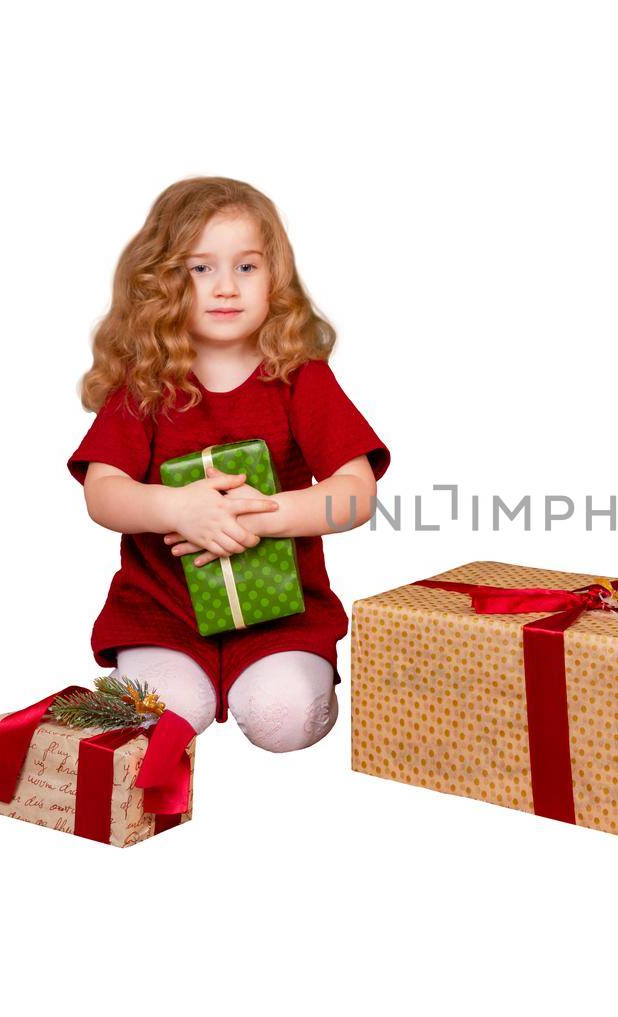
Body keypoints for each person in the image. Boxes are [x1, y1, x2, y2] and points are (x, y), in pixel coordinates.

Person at [67, 176, 390, 752]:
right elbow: (102, 491)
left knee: (282, 719)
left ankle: (296, 687)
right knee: (164, 717)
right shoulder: (144, 384)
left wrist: (263, 517)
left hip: (281, 617)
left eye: (246, 267)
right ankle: (187, 689)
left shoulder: (300, 377)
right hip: (162, 612)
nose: (225, 288)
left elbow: (355, 493)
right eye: (199, 268)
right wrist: (176, 508)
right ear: (162, 280)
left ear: (276, 279)